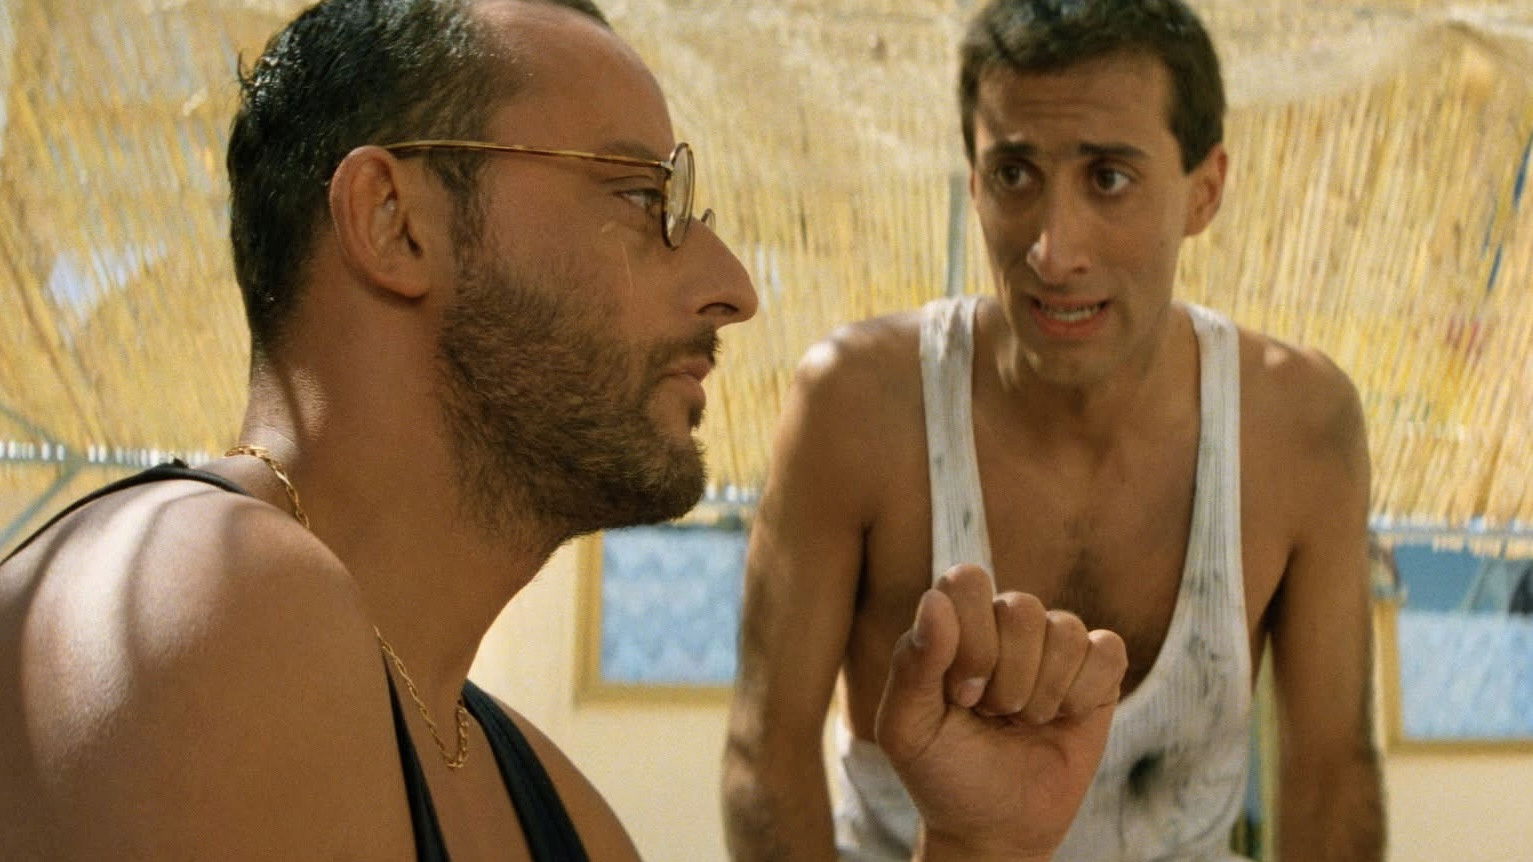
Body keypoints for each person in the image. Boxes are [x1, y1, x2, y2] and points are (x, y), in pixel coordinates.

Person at [0, 1, 1129, 859]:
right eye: (641, 197)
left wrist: (979, 848)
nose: (734, 287)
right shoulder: (201, 596)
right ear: (394, 224)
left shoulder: (548, 800)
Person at [723, 0, 1384, 859]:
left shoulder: (1296, 425)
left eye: (1107, 177)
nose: (1052, 249)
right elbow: (767, 752)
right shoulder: (858, 406)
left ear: (1203, 190)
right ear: (973, 182)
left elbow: (1331, 775)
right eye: (1014, 174)